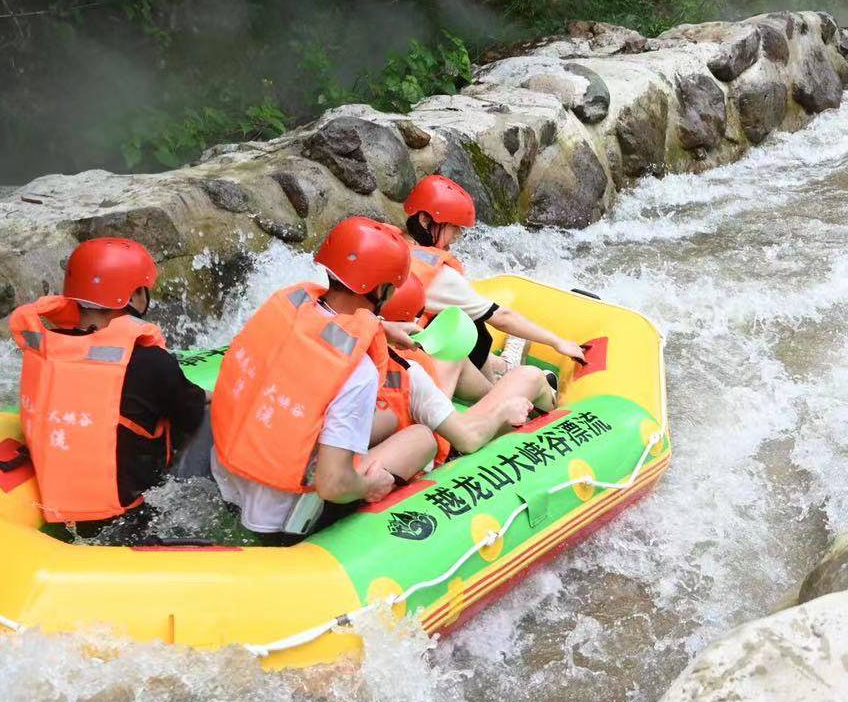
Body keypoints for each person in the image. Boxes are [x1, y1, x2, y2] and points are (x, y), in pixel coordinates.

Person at [208, 217, 438, 543]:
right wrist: (369, 486)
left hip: (226, 477)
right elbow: (333, 484)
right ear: (381, 290)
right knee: (421, 438)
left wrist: (379, 327)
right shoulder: (358, 372)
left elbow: (324, 327)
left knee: (385, 420)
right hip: (280, 521)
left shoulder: (286, 307)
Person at [9, 237, 206, 536]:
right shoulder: (152, 361)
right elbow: (190, 415)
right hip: (129, 517)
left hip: (61, 510)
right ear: (134, 295)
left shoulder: (45, 349)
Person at [400, 174, 588, 399]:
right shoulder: (440, 276)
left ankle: (505, 367)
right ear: (424, 220)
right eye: (453, 227)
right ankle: (504, 388)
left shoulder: (394, 243)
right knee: (468, 323)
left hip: (401, 349)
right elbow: (502, 317)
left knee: (457, 321)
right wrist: (557, 342)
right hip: (415, 365)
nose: (458, 235)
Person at [375, 274, 548, 465]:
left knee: (453, 358)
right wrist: (502, 413)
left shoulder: (357, 343)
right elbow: (468, 437)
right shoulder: (410, 371)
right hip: (445, 443)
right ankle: (544, 404)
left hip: (403, 433)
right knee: (530, 376)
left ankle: (499, 381)